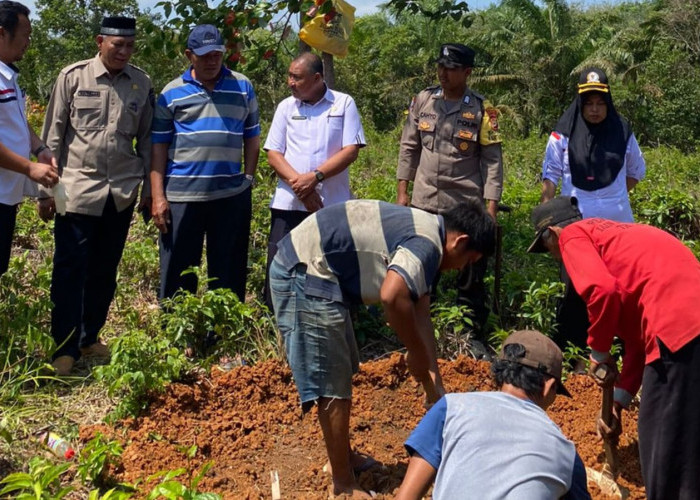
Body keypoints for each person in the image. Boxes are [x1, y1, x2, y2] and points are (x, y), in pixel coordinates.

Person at [269, 198, 496, 498]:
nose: (460, 269)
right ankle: (343, 483)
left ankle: (344, 458)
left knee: (340, 370)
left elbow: (420, 314)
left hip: (322, 272)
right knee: (332, 380)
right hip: (305, 270)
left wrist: (435, 387)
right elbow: (392, 295)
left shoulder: (430, 234)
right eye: (468, 261)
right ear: (461, 241)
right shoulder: (427, 245)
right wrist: (414, 352)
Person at [528, 195, 700, 500]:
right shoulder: (610, 239)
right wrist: (618, 403)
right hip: (688, 324)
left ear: (552, 233)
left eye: (546, 248)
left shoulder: (573, 237)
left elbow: (602, 291)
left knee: (659, 436)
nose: (554, 256)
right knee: (685, 431)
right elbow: (637, 344)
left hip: (677, 325)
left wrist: (598, 352)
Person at [38, 16, 153, 376]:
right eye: (117, 44)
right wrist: (46, 191)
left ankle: (90, 337)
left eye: (130, 45)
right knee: (70, 271)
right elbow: (52, 137)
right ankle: (64, 347)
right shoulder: (72, 77)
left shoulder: (141, 83)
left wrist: (150, 189)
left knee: (105, 271)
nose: (123, 51)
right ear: (99, 42)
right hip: (76, 191)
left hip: (119, 193)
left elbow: (148, 141)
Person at [396, 330, 590, 500]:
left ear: (500, 373)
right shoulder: (567, 454)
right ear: (549, 387)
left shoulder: (451, 408)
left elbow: (407, 496)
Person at [150, 25, 260, 325]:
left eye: (217, 54)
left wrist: (248, 178)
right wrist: (158, 196)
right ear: (189, 56)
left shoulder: (242, 87)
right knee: (177, 268)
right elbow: (158, 146)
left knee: (228, 266)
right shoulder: (171, 93)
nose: (212, 61)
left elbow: (251, 136)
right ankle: (177, 332)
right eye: (204, 56)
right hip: (182, 196)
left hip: (230, 194)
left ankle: (223, 331)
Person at [397, 42, 503, 337]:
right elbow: (409, 148)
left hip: (464, 205)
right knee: (420, 269)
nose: (444, 73)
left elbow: (493, 162)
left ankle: (470, 335)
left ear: (467, 72)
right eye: (440, 67)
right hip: (425, 201)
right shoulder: (422, 101)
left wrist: (490, 210)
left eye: (452, 69)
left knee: (470, 273)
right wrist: (402, 192)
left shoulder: (484, 109)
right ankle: (417, 331)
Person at [541, 68, 646, 352]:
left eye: (600, 103)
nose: (595, 109)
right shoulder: (562, 134)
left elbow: (637, 170)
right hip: (578, 227)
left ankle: (622, 349)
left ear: (608, 102)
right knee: (579, 289)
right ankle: (577, 351)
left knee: (621, 287)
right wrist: (548, 215)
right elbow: (549, 174)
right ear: (580, 104)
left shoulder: (622, 130)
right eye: (589, 103)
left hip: (620, 229)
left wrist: (611, 196)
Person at [263, 51, 365, 309]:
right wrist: (303, 187)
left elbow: (350, 150)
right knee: (280, 265)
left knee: (329, 265)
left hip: (330, 205)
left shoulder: (342, 104)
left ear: (317, 78)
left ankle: (333, 321)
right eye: (289, 76)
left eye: (296, 77)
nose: (290, 82)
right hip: (289, 203)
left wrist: (316, 177)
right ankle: (275, 322)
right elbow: (274, 154)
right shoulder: (286, 107)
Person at [0, 0, 58, 277]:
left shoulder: (8, 77)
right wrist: (30, 168)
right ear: (2, 33)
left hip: (6, 196)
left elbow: (17, 123)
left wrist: (40, 148)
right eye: (25, 35)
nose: (28, 42)